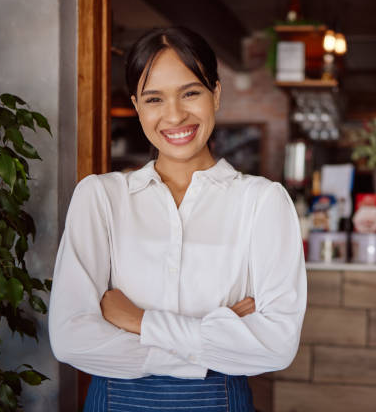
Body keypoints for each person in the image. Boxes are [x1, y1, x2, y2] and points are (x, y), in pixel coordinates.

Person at [48, 26, 307, 411]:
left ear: (215, 94)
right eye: (154, 99)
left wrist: (138, 321)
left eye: (190, 92)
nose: (175, 115)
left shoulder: (263, 202)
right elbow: (71, 339)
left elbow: (276, 347)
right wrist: (214, 332)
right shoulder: (101, 198)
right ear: (136, 106)